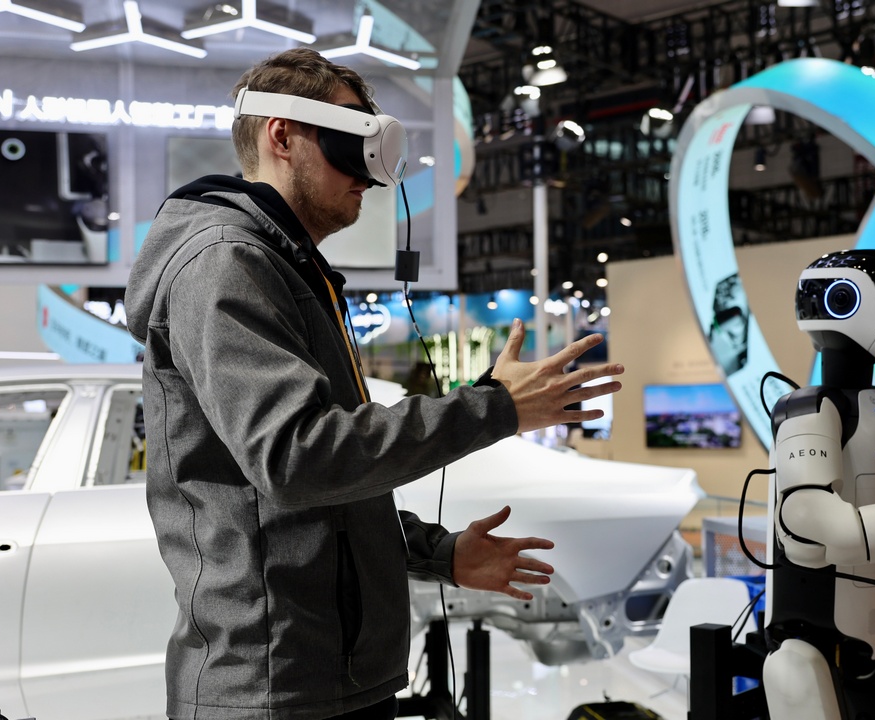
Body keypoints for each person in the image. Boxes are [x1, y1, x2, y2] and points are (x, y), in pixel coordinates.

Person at [124, 48, 623, 720]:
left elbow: (321, 500)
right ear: (282, 134)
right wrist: (493, 409)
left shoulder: (284, 266)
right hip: (273, 691)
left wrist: (440, 554)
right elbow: (299, 458)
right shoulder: (226, 263)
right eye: (349, 142)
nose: (371, 174)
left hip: (330, 679)